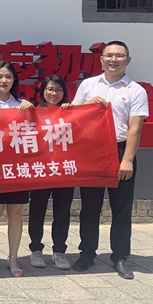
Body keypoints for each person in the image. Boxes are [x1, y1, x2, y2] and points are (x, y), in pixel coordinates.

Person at [72, 41, 148, 280]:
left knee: (121, 209)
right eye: (109, 55)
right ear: (101, 59)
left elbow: (135, 129)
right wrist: (88, 104)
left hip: (120, 151)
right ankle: (87, 253)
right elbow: (72, 116)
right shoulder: (88, 85)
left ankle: (121, 257)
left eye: (119, 56)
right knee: (89, 207)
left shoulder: (136, 90)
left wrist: (127, 160)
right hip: (92, 152)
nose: (114, 59)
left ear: (128, 60)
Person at [0, 61, 34, 278]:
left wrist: (31, 112)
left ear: (14, 80)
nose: (4, 81)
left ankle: (13, 257)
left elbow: (34, 133)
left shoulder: (23, 104)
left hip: (18, 167)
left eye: (8, 76)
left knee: (15, 211)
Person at [28, 75, 74, 271]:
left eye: (58, 90)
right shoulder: (33, 113)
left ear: (64, 93)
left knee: (62, 212)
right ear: (43, 91)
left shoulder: (71, 113)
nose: (54, 93)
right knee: (37, 210)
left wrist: (73, 111)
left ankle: (59, 251)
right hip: (41, 170)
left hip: (64, 170)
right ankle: (36, 249)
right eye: (50, 89)